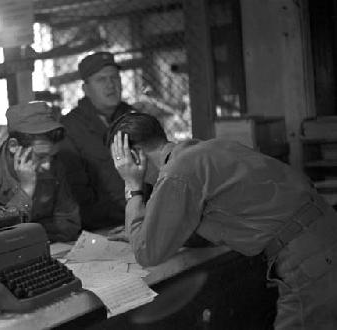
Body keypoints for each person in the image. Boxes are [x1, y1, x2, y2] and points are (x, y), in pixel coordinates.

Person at [107, 112, 337, 330]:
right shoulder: (209, 148)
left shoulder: (176, 172)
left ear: (135, 156)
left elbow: (147, 253)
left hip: (308, 259)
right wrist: (151, 228)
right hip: (324, 235)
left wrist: (132, 187)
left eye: (121, 163)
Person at [0, 101, 81, 242]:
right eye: (40, 157)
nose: (48, 165)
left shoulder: (53, 163)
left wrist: (26, 235)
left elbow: (69, 225)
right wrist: (26, 191)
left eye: (51, 156)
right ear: (14, 146)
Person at [58, 51, 135, 230]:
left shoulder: (134, 119)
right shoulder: (71, 128)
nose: (111, 85)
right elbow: (78, 194)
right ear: (86, 89)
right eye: (101, 80)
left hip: (140, 214)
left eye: (115, 78)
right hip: (102, 225)